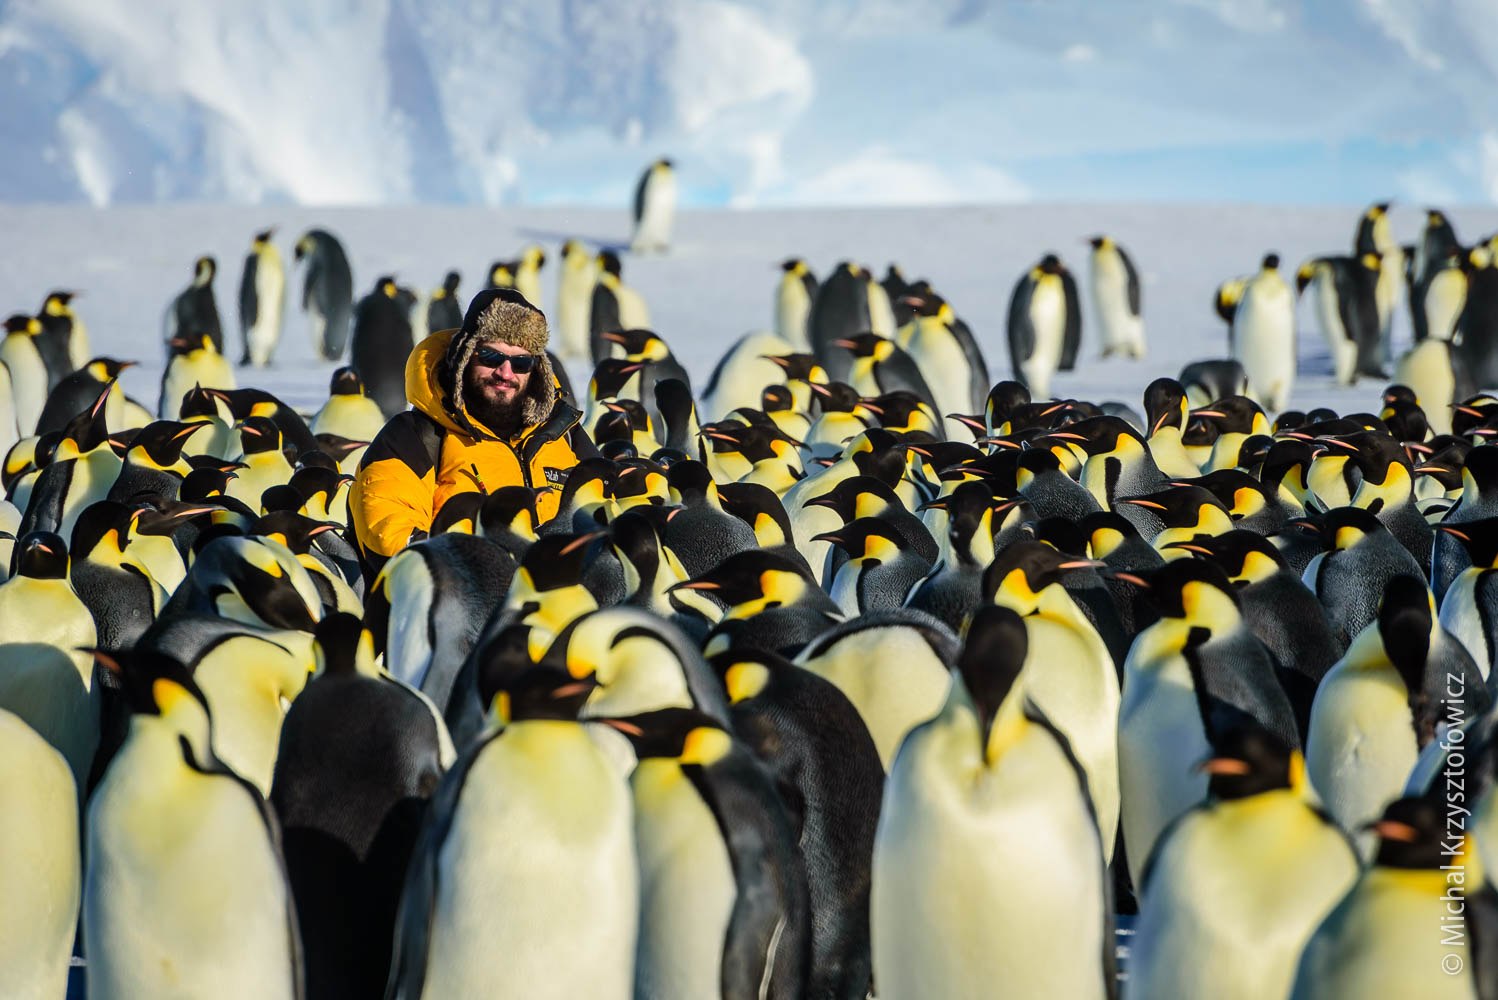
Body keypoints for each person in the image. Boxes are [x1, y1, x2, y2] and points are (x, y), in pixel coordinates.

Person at [349, 288, 595, 570]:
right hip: (467, 598)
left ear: (536, 369)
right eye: (491, 357)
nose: (505, 372)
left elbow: (615, 509)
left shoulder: (561, 432)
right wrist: (468, 568)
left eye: (521, 362)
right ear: (465, 354)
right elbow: (386, 525)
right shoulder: (418, 436)